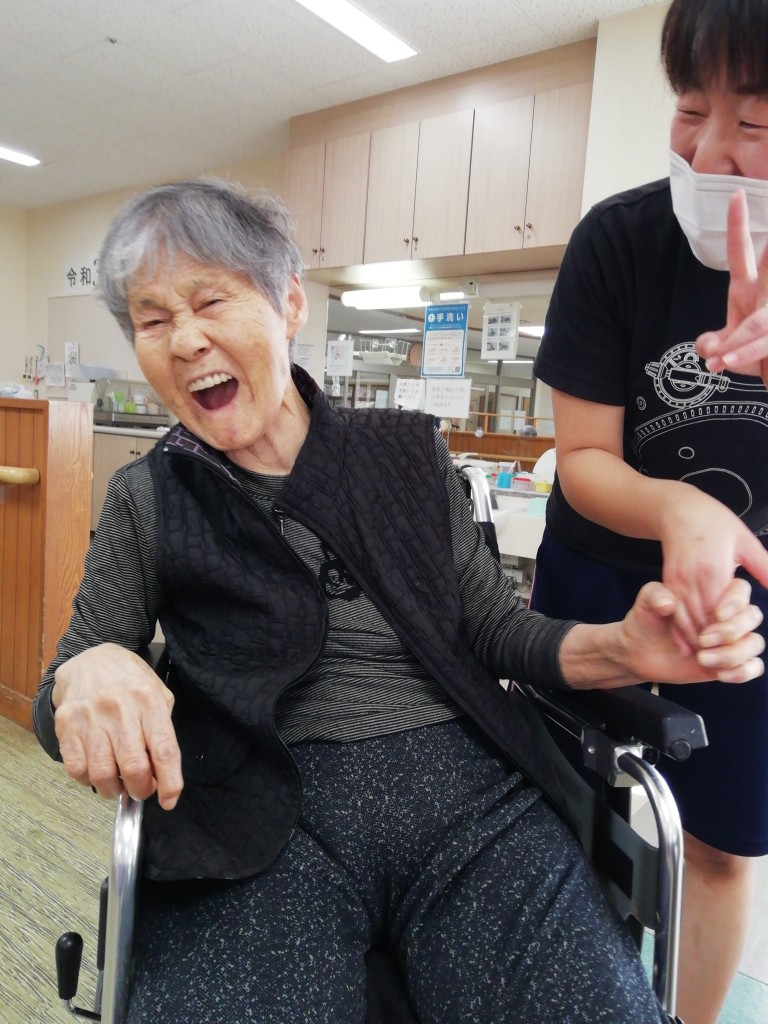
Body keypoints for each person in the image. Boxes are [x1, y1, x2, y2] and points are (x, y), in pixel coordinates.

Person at [33, 179, 763, 1024]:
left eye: (210, 301)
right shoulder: (149, 496)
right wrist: (90, 670)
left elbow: (497, 631)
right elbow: (59, 705)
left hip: (467, 798)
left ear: (290, 302)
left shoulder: (408, 453)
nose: (187, 338)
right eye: (153, 320)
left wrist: (624, 648)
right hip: (255, 812)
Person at [530, 2, 768, 1021]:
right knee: (561, 816)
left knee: (722, 847)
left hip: (746, 601)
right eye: (689, 110)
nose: (709, 152)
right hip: (598, 572)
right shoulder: (618, 241)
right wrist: (677, 510)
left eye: (754, 124)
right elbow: (584, 457)